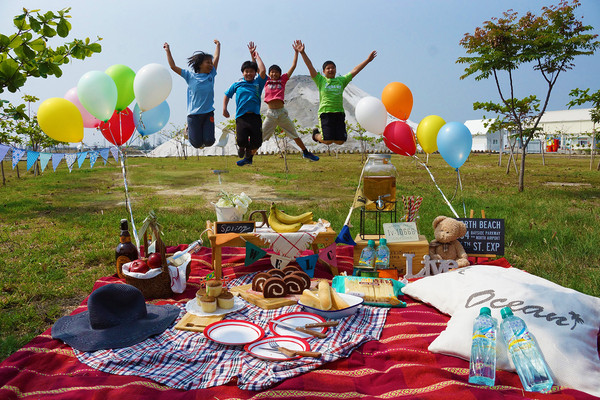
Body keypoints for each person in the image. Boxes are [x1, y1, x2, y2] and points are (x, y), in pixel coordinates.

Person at [296, 40, 377, 145]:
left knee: (340, 141)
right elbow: (310, 66)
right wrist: (303, 53)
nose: (331, 70)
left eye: (333, 68)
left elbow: (354, 70)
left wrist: (368, 60)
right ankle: (316, 135)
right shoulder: (320, 80)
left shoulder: (341, 80)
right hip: (326, 113)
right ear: (323, 71)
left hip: (339, 113)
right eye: (328, 68)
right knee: (327, 141)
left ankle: (327, 135)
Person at [260, 41, 319, 162]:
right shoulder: (266, 81)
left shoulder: (282, 80)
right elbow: (260, 70)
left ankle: (306, 152)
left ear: (280, 74)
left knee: (293, 133)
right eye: (272, 72)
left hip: (281, 113)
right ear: (269, 73)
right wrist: (255, 56)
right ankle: (248, 157)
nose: (274, 73)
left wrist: (296, 53)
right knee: (260, 136)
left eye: (276, 72)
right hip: (270, 113)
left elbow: (293, 66)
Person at [163, 40, 220, 149]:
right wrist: (167, 50)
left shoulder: (211, 75)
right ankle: (188, 129)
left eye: (211, 63)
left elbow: (216, 58)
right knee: (196, 144)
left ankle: (202, 136)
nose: (211, 65)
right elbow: (173, 66)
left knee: (209, 141)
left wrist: (218, 45)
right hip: (194, 115)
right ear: (200, 64)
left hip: (208, 113)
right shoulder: (189, 76)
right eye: (208, 62)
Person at [223, 42, 267, 167]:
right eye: (246, 71)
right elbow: (227, 94)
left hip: (255, 117)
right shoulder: (238, 83)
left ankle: (247, 151)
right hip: (241, 117)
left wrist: (256, 56)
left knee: (257, 142)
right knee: (241, 140)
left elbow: (262, 71)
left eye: (251, 71)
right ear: (243, 73)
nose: (249, 73)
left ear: (255, 73)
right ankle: (242, 147)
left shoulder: (258, 82)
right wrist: (224, 108)